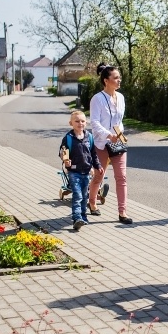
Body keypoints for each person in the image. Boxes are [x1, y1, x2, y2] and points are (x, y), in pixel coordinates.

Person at [88, 63, 133, 224]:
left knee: (122, 177)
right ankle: (92, 202)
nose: (119, 80)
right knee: (98, 175)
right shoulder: (97, 99)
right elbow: (94, 123)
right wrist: (108, 135)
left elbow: (119, 121)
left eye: (119, 77)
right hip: (101, 143)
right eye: (116, 78)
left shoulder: (120, 98)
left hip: (118, 142)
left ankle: (123, 212)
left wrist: (119, 134)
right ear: (106, 80)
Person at [59, 110, 102, 231]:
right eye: (77, 121)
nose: (80, 123)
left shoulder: (89, 137)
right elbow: (63, 152)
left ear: (86, 123)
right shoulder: (68, 138)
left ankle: (83, 216)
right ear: (71, 123)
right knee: (77, 195)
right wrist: (65, 159)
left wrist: (97, 166)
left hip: (87, 171)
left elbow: (93, 154)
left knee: (84, 195)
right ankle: (76, 217)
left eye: (82, 121)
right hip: (74, 171)